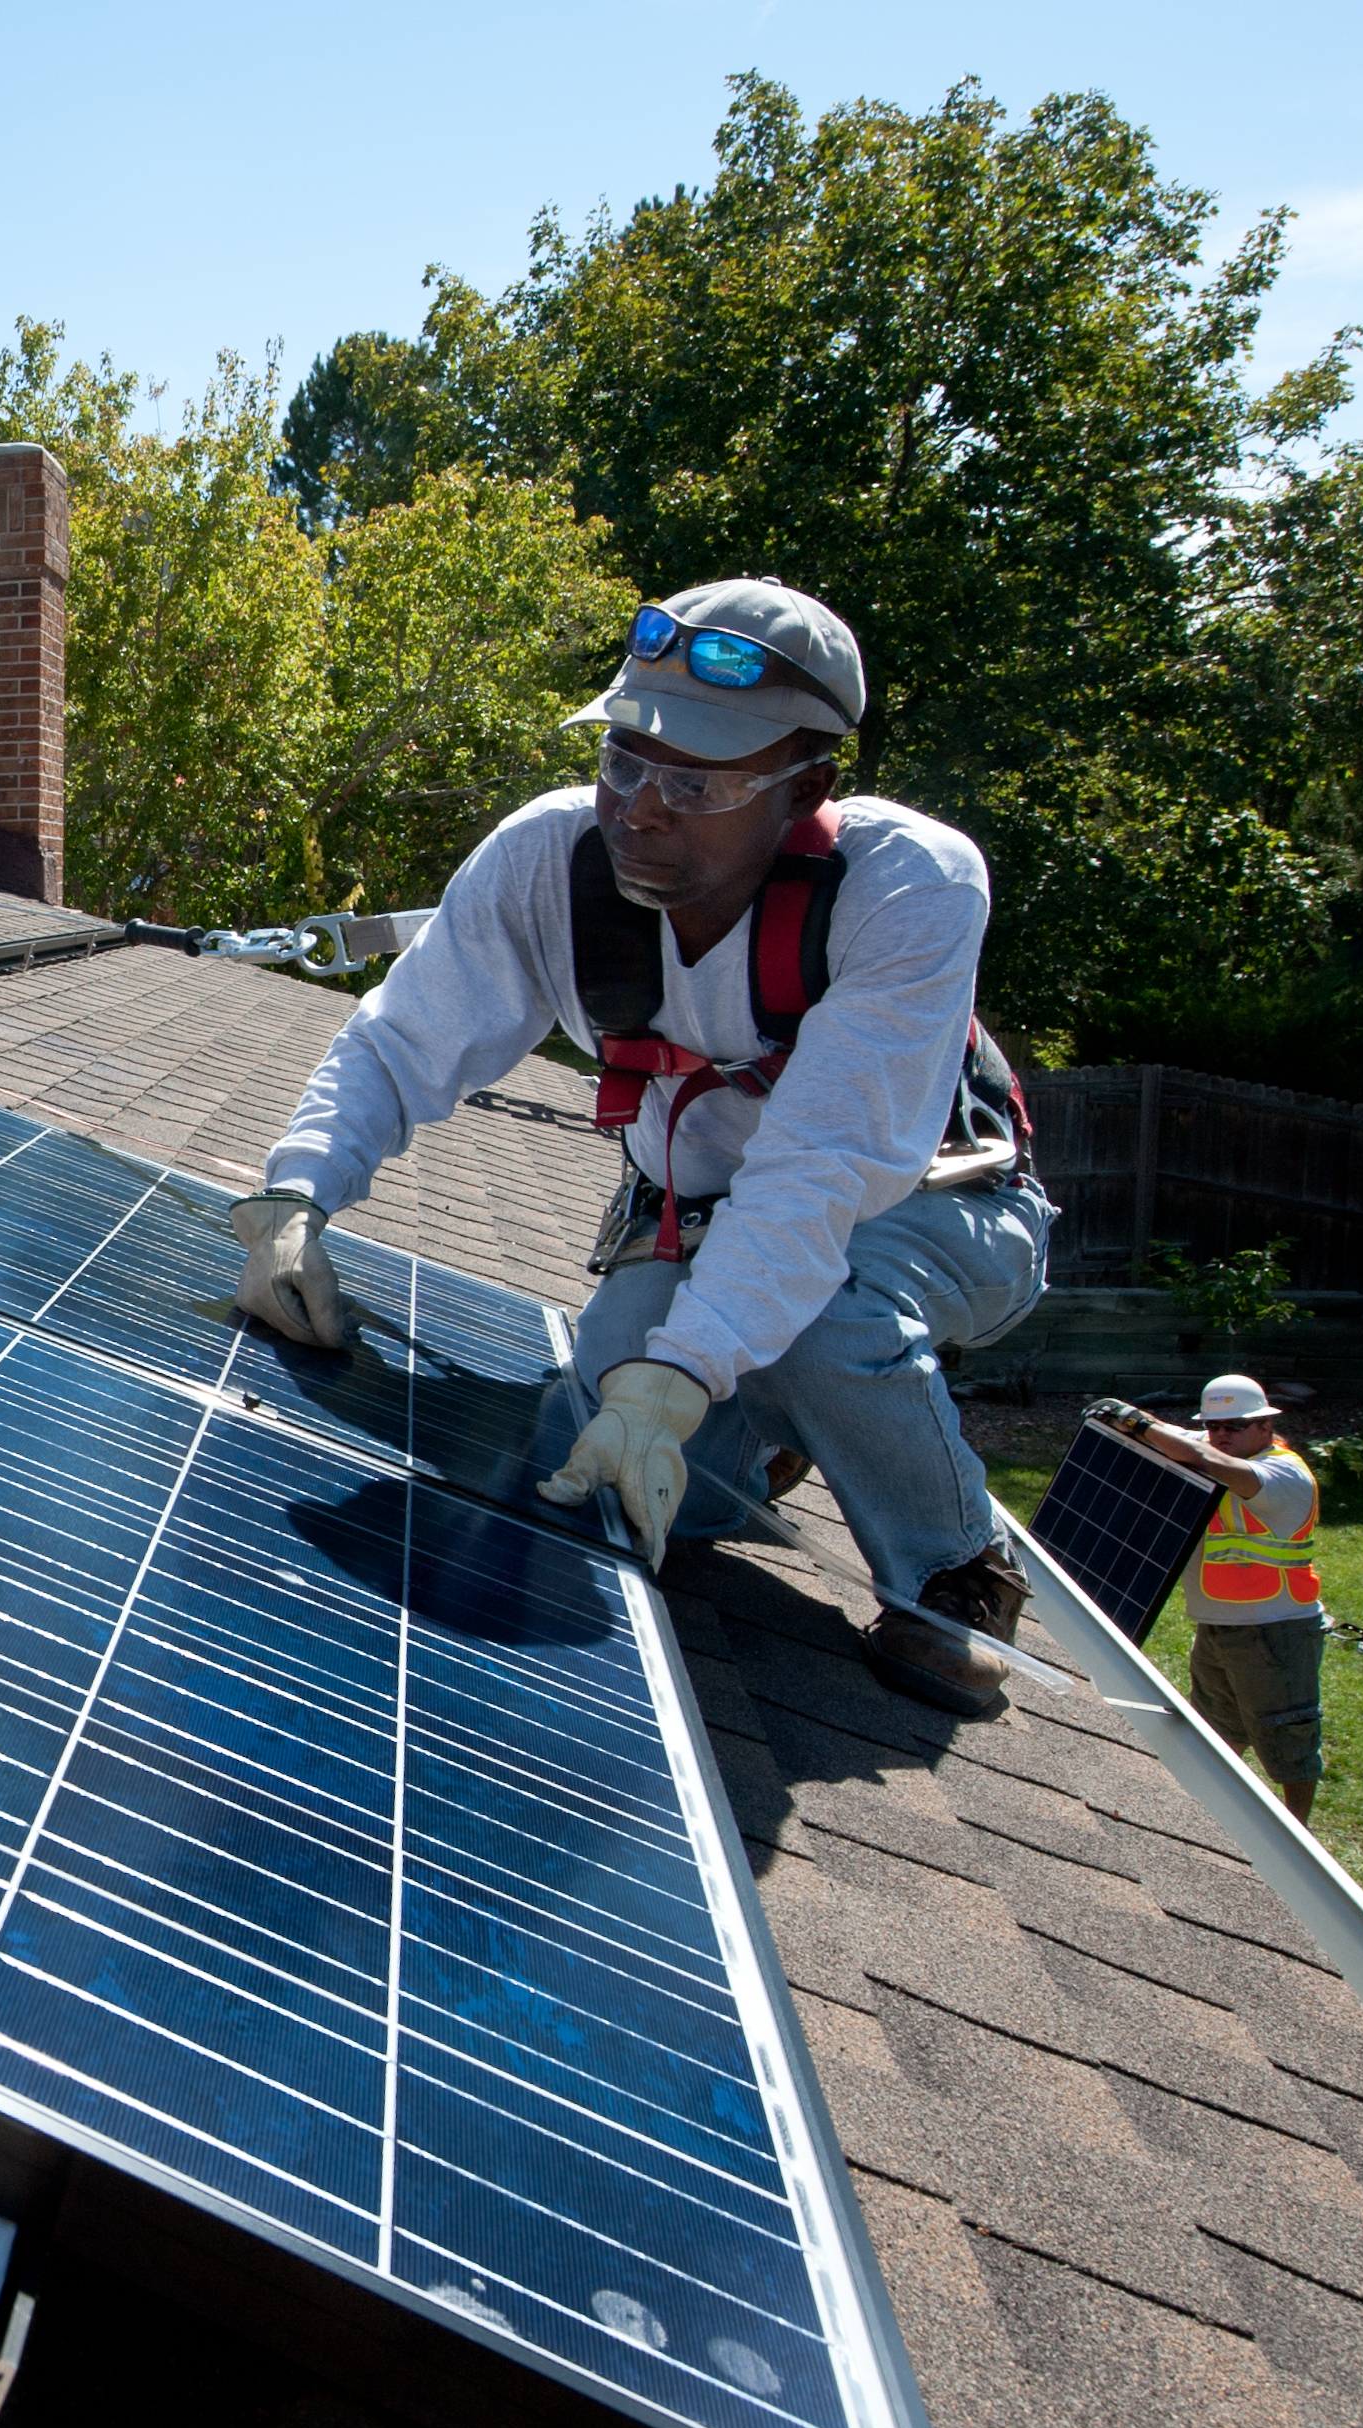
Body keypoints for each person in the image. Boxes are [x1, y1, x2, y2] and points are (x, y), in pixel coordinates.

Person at [232, 578, 1054, 1715]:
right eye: (624, 758)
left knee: (820, 1315)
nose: (641, 806)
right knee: (606, 1467)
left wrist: (689, 1367)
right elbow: (404, 1039)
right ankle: (770, 1431)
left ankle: (952, 1571)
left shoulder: (907, 886)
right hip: (707, 1215)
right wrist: (295, 1191)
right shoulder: (551, 861)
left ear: (806, 788)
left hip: (934, 1210)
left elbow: (823, 1171)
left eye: (694, 779)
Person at [1101, 1376, 1325, 1820]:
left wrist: (1137, 1422)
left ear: (1265, 1426)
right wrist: (1126, 1419)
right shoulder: (1219, 1447)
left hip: (1273, 1631)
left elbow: (1197, 1453)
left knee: (1286, 1739)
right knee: (1216, 1729)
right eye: (1215, 1425)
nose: (1221, 1434)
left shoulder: (1284, 1475)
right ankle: (1201, 1817)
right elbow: (1184, 1440)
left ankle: (1300, 1833)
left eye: (1236, 1425)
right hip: (1219, 1626)